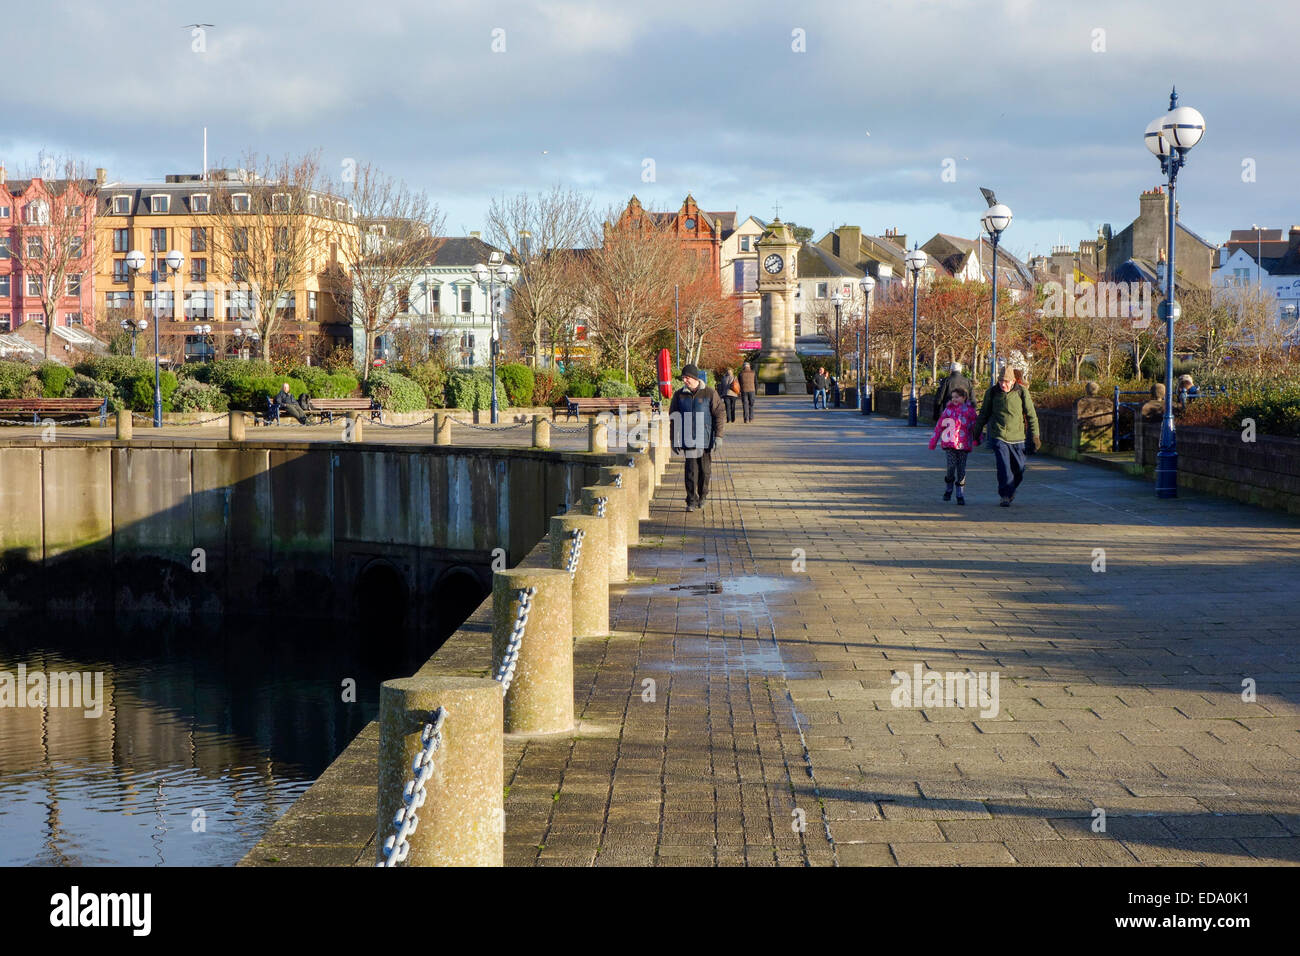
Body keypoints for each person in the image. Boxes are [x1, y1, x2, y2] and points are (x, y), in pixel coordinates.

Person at [973, 365, 1040, 507]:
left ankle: (1011, 489)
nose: (1003, 384)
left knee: (1019, 470)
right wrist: (976, 431)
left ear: (1014, 381)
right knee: (1003, 467)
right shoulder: (992, 393)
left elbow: (1031, 415)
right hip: (999, 436)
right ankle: (1005, 495)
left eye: (1007, 381)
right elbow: (984, 414)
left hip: (1018, 437)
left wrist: (1035, 436)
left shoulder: (1022, 392)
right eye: (1001, 381)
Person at [669, 364, 725, 512]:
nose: (684, 381)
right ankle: (691, 500)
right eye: (683, 378)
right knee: (691, 471)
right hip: (689, 439)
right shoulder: (679, 395)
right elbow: (674, 418)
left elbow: (719, 414)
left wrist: (718, 436)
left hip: (705, 439)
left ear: (694, 378)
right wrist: (674, 439)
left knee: (704, 471)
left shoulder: (709, 393)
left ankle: (703, 496)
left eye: (687, 377)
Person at [928, 385, 979, 505]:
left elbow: (975, 427)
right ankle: (949, 488)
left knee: (961, 469)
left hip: (963, 444)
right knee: (951, 467)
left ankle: (960, 493)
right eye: (953, 397)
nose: (954, 399)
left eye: (957, 397)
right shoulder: (948, 410)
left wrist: (977, 439)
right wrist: (933, 441)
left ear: (964, 397)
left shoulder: (970, 411)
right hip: (950, 443)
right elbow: (939, 426)